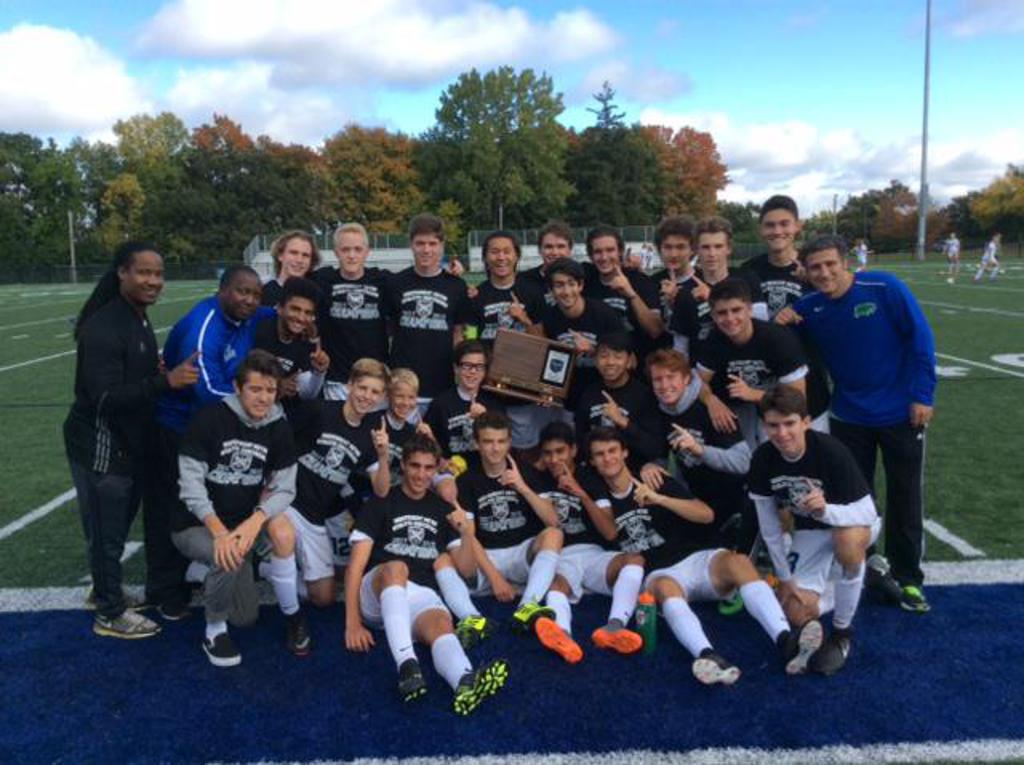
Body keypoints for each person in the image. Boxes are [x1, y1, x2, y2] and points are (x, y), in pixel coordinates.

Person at [585, 427, 820, 684]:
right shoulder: (599, 499)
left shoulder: (655, 480)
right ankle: (707, 655)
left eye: (612, 451)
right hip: (660, 573)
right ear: (593, 461)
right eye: (600, 454)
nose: (608, 459)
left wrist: (660, 499)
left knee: (739, 562)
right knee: (663, 588)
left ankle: (785, 639)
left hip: (697, 558)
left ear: (625, 453)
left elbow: (705, 514)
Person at [778, 235, 936, 613]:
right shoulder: (809, 308)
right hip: (848, 416)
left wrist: (922, 394)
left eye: (830, 264)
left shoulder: (884, 287)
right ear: (806, 271)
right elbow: (783, 342)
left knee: (905, 493)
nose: (824, 272)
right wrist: (785, 320)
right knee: (856, 498)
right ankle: (870, 564)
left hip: (901, 412)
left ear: (845, 262)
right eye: (815, 267)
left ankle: (909, 576)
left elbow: (921, 338)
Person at [64, 242, 199, 638]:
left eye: (158, 274)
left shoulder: (136, 317)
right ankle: (109, 612)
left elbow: (130, 377)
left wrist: (153, 372)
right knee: (108, 532)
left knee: (116, 527)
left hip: (128, 441)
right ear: (122, 273)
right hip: (102, 444)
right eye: (143, 272)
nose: (153, 281)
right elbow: (104, 397)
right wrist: (165, 381)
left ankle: (102, 589)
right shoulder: (104, 326)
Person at [344, 434, 510, 715]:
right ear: (403, 466)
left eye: (428, 468)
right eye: (415, 466)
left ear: (436, 470)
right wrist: (352, 622)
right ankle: (408, 666)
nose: (421, 475)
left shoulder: (442, 509)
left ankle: (465, 681)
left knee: (443, 626)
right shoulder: (381, 502)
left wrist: (468, 533)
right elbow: (355, 566)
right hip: (378, 588)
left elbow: (467, 570)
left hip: (419, 595)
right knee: (397, 567)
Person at [149, 265, 275, 618]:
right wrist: (263, 406)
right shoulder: (205, 329)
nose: (249, 300)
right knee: (175, 507)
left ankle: (203, 565)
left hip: (212, 428)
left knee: (223, 492)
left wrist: (293, 319)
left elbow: (272, 312)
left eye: (255, 294)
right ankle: (166, 590)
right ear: (222, 290)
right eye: (241, 292)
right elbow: (209, 391)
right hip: (179, 428)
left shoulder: (247, 314)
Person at [172, 350, 307, 666]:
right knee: (228, 554)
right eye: (255, 389)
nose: (264, 398)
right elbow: (190, 486)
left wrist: (255, 520)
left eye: (270, 391)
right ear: (237, 387)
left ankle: (205, 570)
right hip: (195, 525)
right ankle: (214, 630)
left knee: (246, 617)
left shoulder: (278, 425)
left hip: (240, 526)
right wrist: (219, 533)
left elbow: (285, 487)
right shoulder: (210, 418)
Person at [749, 388, 880, 675]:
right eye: (773, 425)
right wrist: (783, 576)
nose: (782, 433)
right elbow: (770, 527)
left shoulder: (831, 450)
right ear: (764, 426)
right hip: (809, 532)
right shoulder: (762, 459)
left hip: (851, 523)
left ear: (806, 422)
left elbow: (868, 512)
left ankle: (843, 632)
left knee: (846, 542)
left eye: (790, 423)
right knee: (794, 611)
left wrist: (825, 511)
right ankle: (856, 581)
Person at [455, 412, 576, 662]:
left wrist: (522, 487)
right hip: (487, 558)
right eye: (488, 441)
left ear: (510, 442)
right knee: (456, 550)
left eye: (501, 441)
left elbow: (553, 521)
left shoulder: (527, 473)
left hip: (521, 553)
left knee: (553, 535)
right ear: (477, 443)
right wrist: (495, 578)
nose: (495, 448)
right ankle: (475, 613)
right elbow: (470, 536)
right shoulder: (467, 481)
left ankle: (527, 606)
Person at [287, 358, 393, 608]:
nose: (367, 396)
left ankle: (276, 569)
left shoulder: (371, 431)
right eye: (363, 388)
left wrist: (383, 454)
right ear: (349, 386)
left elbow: (382, 489)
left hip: (316, 516)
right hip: (288, 502)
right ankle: (278, 557)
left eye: (375, 391)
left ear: (382, 397)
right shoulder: (319, 411)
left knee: (324, 598)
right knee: (282, 537)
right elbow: (278, 440)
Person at [535, 422, 647, 655]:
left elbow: (610, 532)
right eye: (548, 453)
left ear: (573, 450)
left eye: (560, 451)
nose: (554, 459)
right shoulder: (538, 479)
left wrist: (581, 493)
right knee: (555, 586)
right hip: (561, 554)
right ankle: (563, 636)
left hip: (594, 553)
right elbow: (552, 523)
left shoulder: (591, 478)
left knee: (634, 559)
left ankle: (615, 627)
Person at [641, 349, 751, 549]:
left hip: (735, 497)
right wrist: (650, 466)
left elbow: (744, 463)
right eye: (658, 379)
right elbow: (662, 453)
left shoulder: (712, 410)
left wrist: (700, 450)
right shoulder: (658, 412)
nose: (665, 385)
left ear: (686, 380)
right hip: (699, 501)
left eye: (671, 377)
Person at [741, 195, 832, 429]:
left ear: (797, 226)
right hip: (762, 378)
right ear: (761, 229)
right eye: (770, 225)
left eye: (784, 223)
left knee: (811, 456)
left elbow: (836, 315)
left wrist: (806, 314)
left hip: (810, 380)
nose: (777, 231)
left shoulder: (816, 269)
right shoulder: (749, 270)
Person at [696, 277, 809, 448]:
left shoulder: (778, 338)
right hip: (740, 407)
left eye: (736, 310)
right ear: (712, 315)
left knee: (783, 449)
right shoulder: (713, 339)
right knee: (742, 457)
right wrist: (711, 401)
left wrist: (754, 394)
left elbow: (798, 396)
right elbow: (698, 381)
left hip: (784, 406)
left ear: (750, 310)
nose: (730, 318)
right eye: (722, 313)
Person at [386, 214, 474, 413]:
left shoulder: (457, 286)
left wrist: (460, 368)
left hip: (441, 384)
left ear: (442, 245)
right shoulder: (395, 283)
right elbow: (387, 331)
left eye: (432, 243)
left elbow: (460, 333)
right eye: (420, 243)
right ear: (411, 244)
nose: (426, 250)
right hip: (403, 386)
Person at [669, 215, 767, 362]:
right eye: (706, 247)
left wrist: (713, 299)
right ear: (696, 250)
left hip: (744, 367)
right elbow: (680, 348)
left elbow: (762, 325)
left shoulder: (747, 279)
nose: (712, 254)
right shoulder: (685, 291)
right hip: (704, 374)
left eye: (718, 246)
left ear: (728, 249)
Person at [534, 257, 626, 409]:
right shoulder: (549, 318)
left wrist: (593, 350)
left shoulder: (603, 313)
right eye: (559, 285)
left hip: (605, 394)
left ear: (581, 285)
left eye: (571, 284)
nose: (566, 291)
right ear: (551, 290)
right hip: (569, 397)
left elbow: (627, 358)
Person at [313, 223, 390, 399]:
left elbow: (415, 282)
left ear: (367, 251)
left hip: (374, 380)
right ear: (336, 252)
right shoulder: (322, 280)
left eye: (357, 249)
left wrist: (451, 273)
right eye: (345, 249)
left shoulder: (382, 280)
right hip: (337, 381)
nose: (352, 255)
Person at [573, 332, 663, 466]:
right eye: (603, 356)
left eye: (618, 356)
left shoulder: (645, 396)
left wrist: (623, 422)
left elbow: (655, 448)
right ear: (596, 361)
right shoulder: (588, 394)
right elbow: (580, 441)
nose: (610, 362)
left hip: (635, 470)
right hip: (597, 470)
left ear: (629, 361)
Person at [252, 276, 329, 418]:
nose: (301, 317)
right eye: (295, 309)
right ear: (280, 308)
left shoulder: (307, 339)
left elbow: (307, 394)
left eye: (308, 313)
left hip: (282, 411)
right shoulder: (260, 332)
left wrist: (319, 373)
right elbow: (245, 383)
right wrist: (275, 388)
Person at [582, 225, 663, 359]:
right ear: (591, 256)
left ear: (620, 251)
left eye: (610, 250)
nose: (604, 257)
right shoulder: (586, 282)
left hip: (636, 366)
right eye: (598, 251)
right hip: (600, 365)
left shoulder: (641, 281)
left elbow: (655, 330)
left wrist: (631, 294)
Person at [423, 340, 506, 458]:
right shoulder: (440, 403)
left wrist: (486, 418)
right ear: (456, 368)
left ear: (485, 371)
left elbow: (503, 444)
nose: (472, 371)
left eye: (479, 367)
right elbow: (428, 444)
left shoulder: (494, 403)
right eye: (467, 365)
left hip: (484, 468)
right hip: (450, 471)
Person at [471, 230, 546, 346]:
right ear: (485, 257)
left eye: (507, 251)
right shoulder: (476, 295)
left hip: (522, 362)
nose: (501, 257)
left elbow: (543, 342)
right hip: (489, 362)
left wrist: (524, 319)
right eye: (494, 252)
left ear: (517, 256)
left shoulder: (533, 292)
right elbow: (471, 339)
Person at [651, 215, 700, 331]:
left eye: (680, 247)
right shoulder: (651, 283)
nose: (673, 254)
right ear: (659, 249)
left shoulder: (703, 282)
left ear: (692, 249)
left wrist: (678, 305)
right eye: (668, 247)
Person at [519, 221, 574, 307]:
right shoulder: (524, 281)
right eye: (549, 247)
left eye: (561, 246)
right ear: (539, 250)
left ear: (570, 249)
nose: (555, 252)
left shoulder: (583, 276)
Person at [261, 230, 320, 307]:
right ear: (280, 255)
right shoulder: (263, 292)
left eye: (305, 255)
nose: (299, 260)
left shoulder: (318, 293)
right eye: (293, 253)